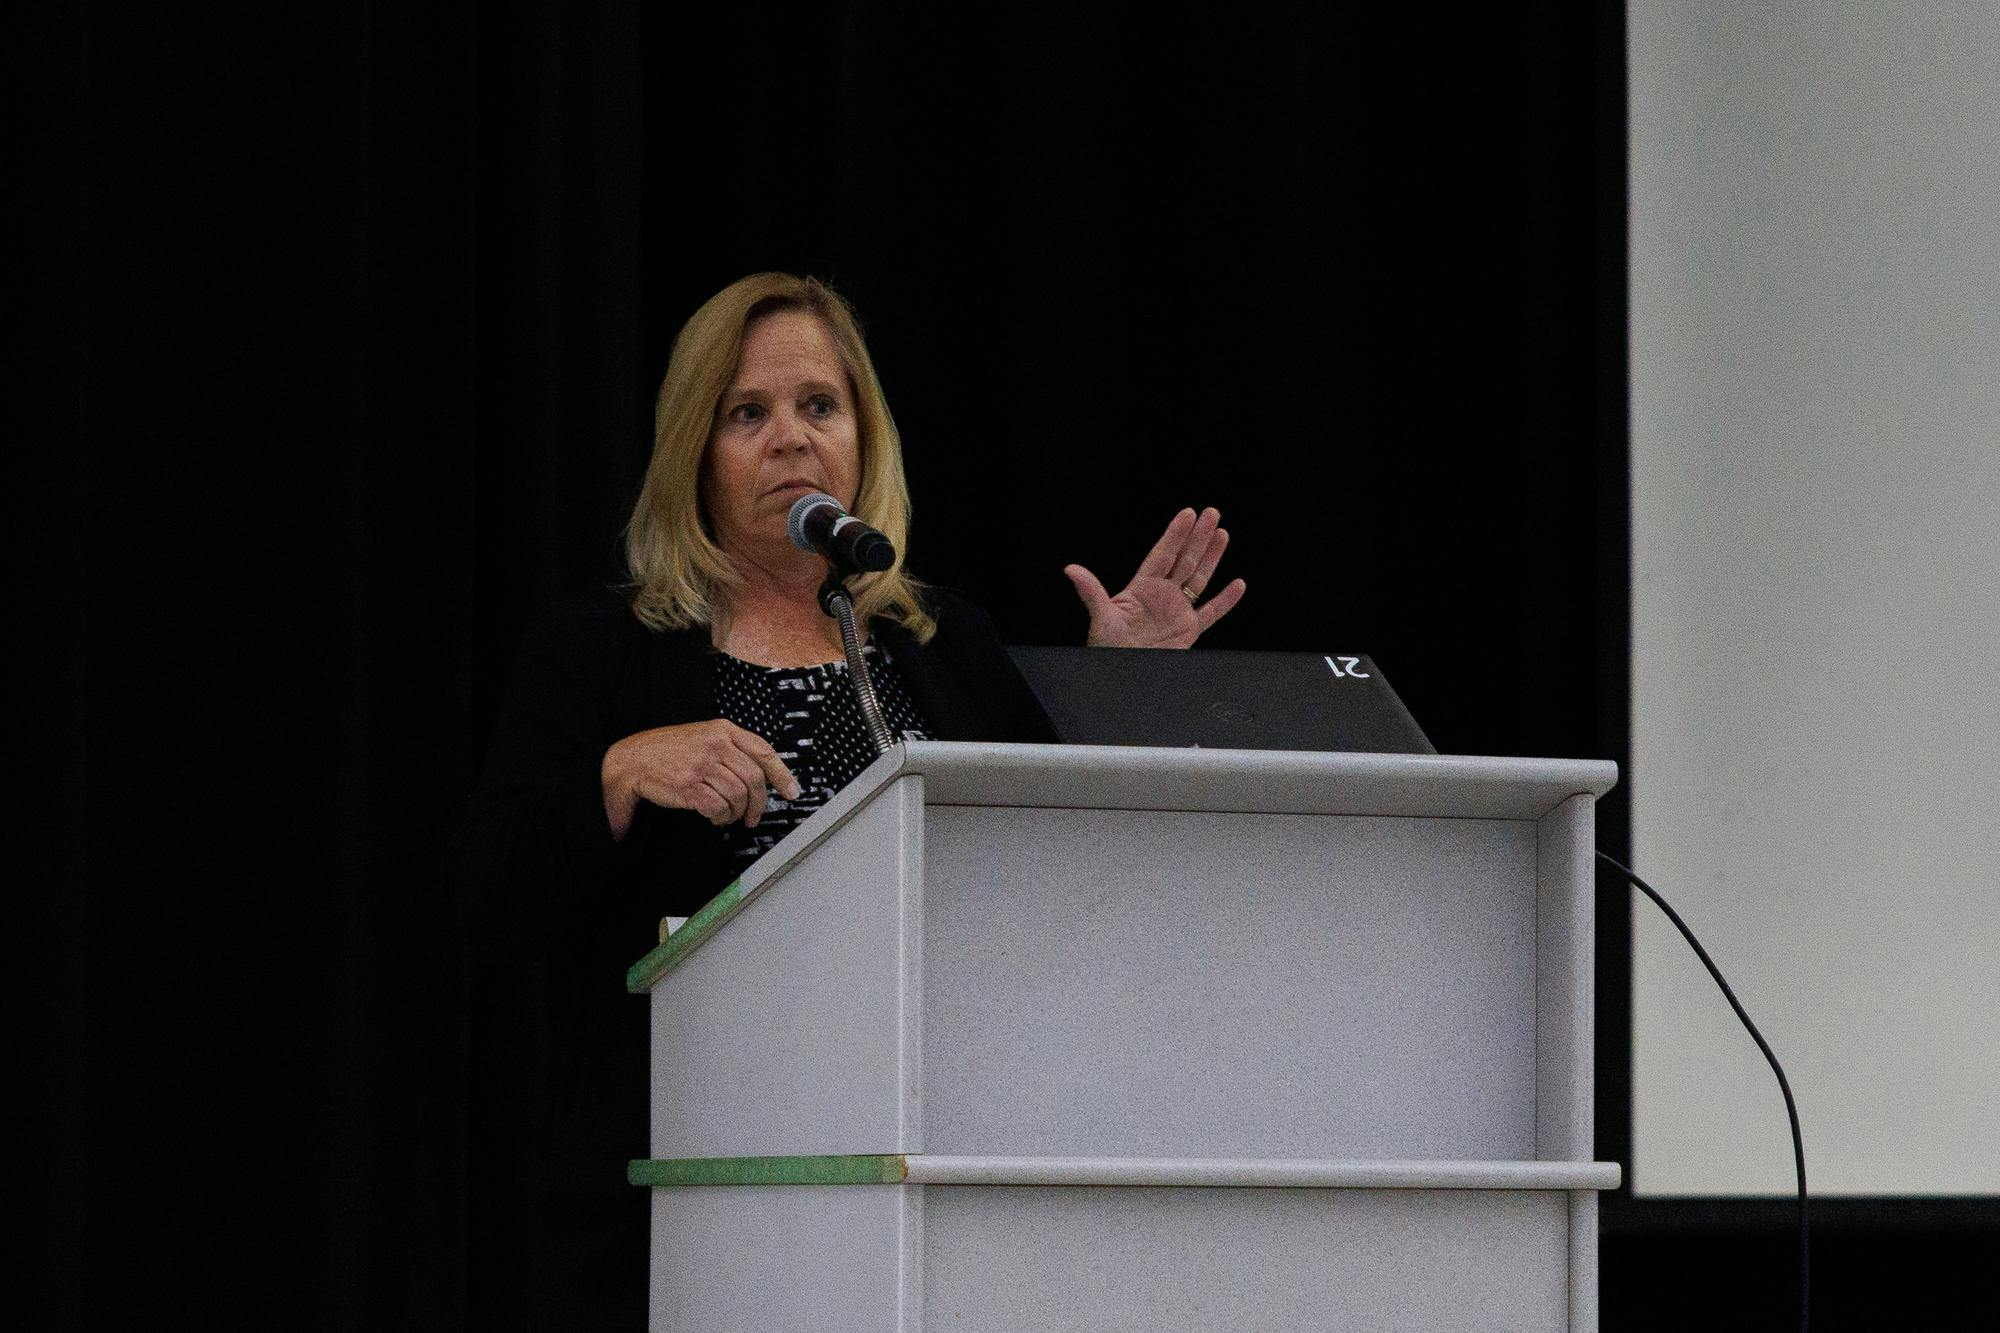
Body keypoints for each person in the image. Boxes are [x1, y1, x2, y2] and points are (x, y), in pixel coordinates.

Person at [453, 271, 1245, 1328]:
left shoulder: (942, 643)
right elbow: (490, 896)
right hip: (684, 1189)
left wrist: (1114, 694)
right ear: (695, 451)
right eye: (747, 413)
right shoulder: (600, 650)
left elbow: (1063, 891)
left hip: (931, 1171)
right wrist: (617, 775)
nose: (790, 437)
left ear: (864, 439)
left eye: (818, 405)